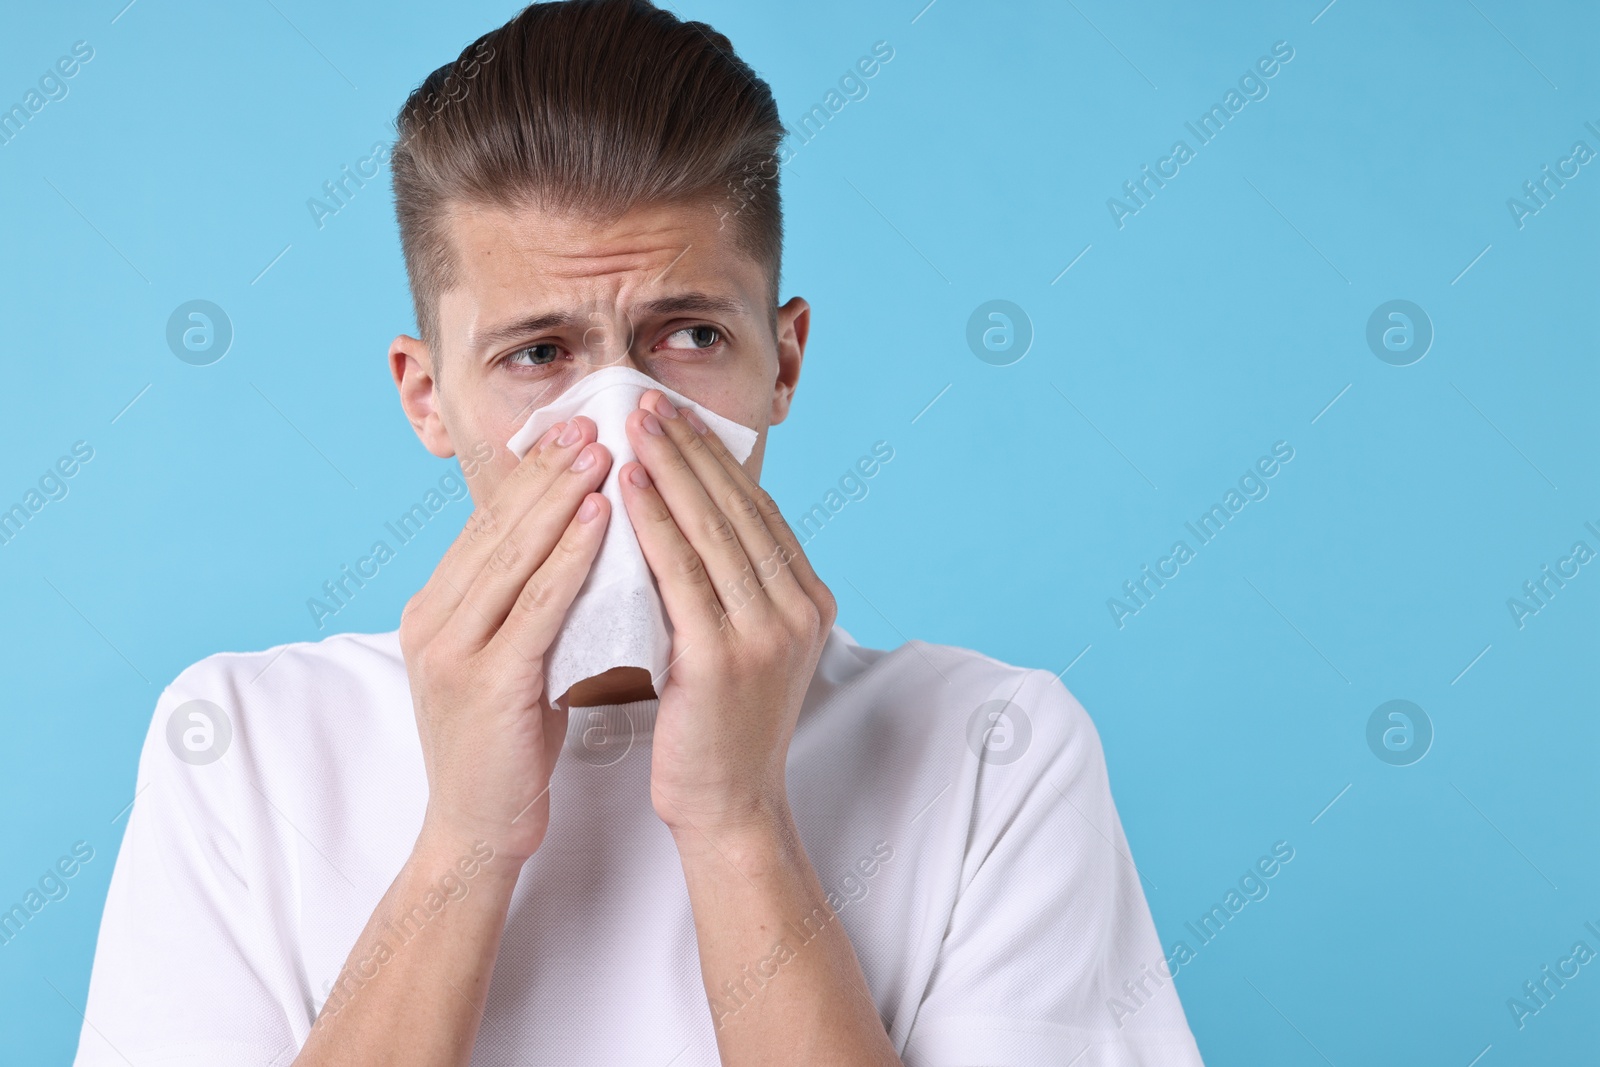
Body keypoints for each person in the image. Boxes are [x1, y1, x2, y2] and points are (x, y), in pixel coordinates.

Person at [73, 2, 1204, 1064]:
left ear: (784, 362)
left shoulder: (995, 750)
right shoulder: (241, 747)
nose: (620, 420)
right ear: (428, 397)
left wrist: (736, 822)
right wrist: (465, 840)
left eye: (689, 335)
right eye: (537, 354)